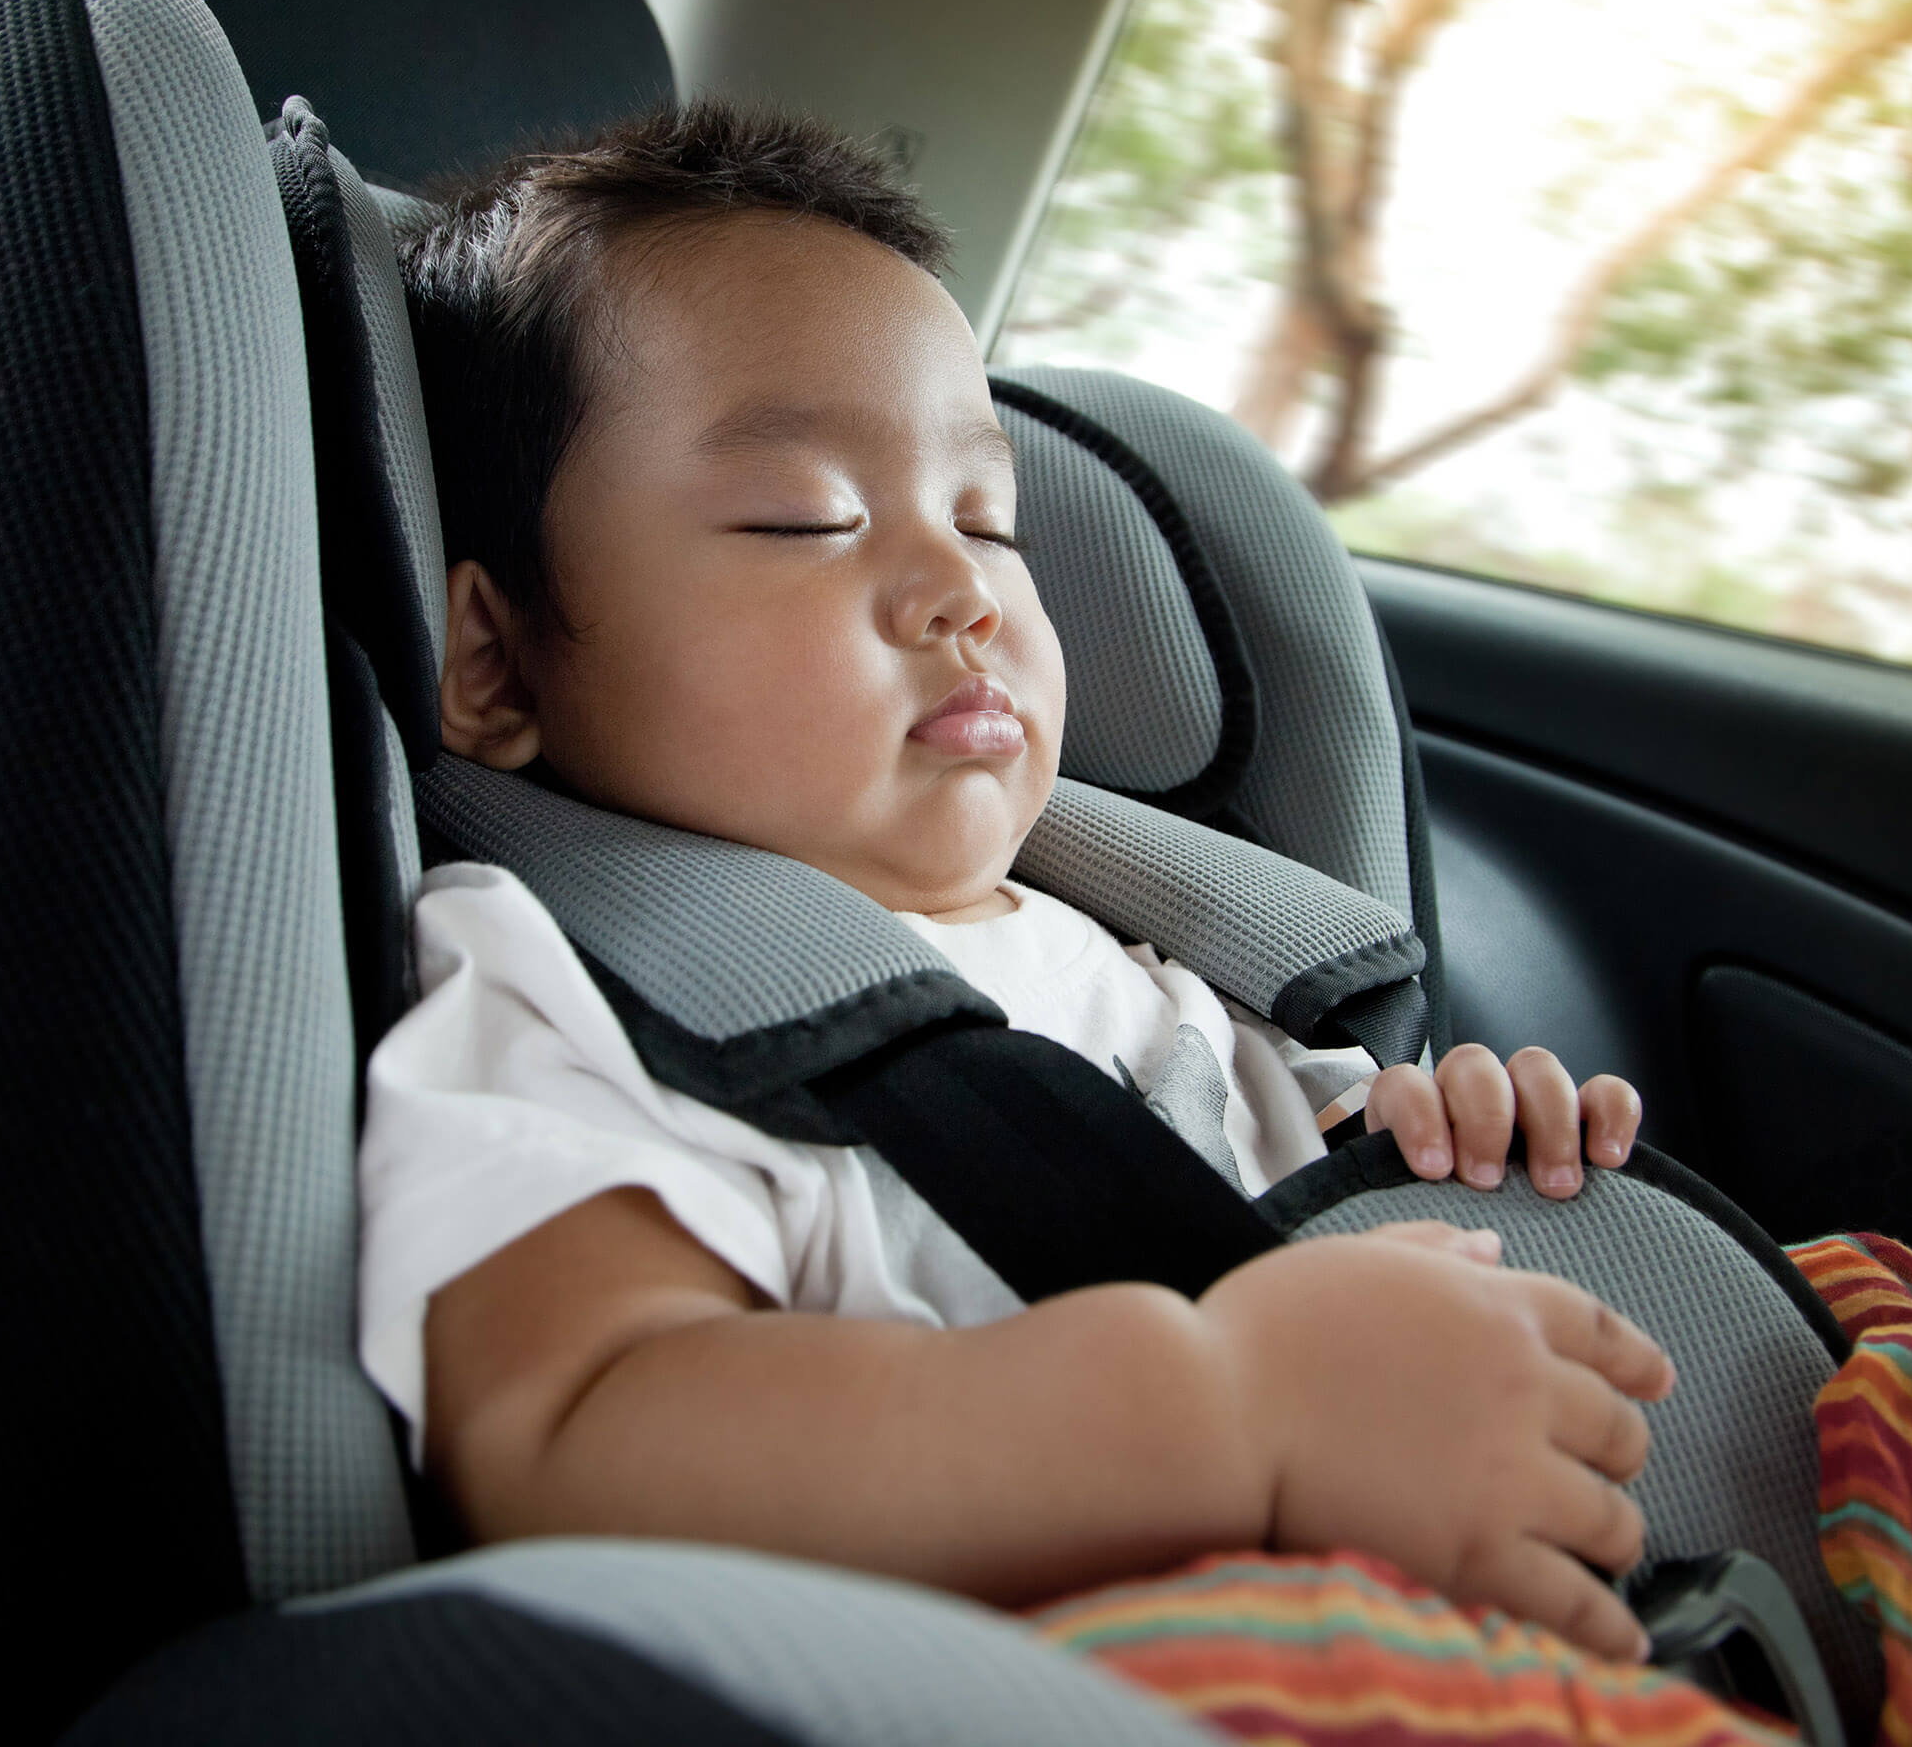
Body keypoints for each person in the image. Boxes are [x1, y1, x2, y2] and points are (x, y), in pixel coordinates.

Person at [360, 99, 1676, 1669]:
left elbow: (1312, 1217)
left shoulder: (1144, 956)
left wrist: (1441, 1143)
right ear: (497, 660)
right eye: (811, 519)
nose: (962, 590)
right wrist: (1220, 1411)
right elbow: (566, 1438)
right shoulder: (562, 985)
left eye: (988, 518)